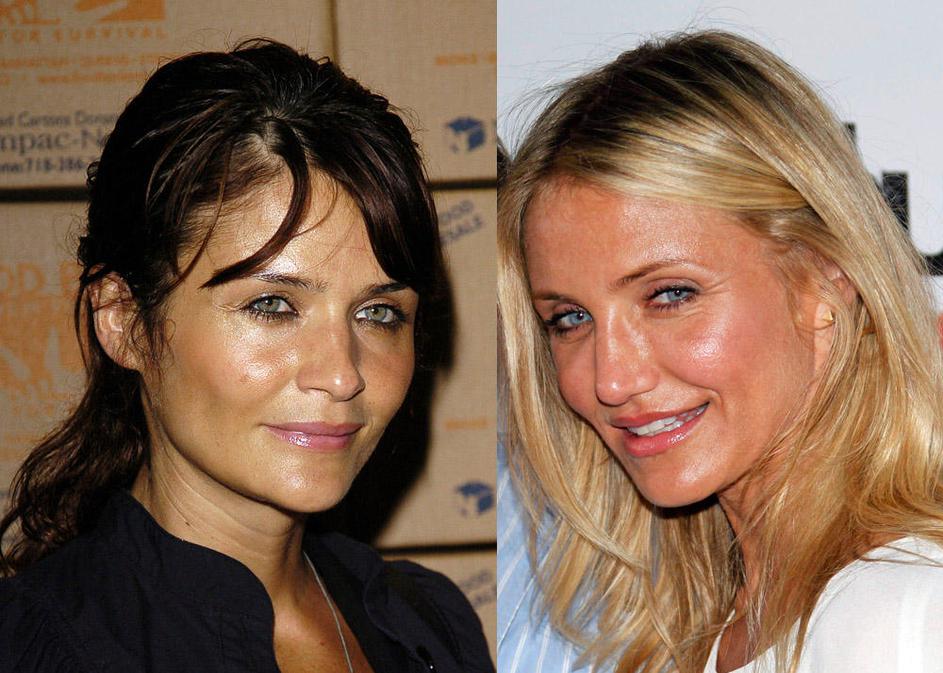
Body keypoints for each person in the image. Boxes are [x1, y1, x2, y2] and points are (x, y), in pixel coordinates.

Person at [0, 39, 493, 673]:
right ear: (124, 321)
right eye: (273, 305)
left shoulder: (432, 625)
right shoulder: (37, 647)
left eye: (378, 313)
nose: (342, 374)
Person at [498, 30, 943, 673]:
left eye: (670, 295)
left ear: (826, 278)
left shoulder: (903, 615)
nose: (611, 379)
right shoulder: (729, 625)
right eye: (570, 318)